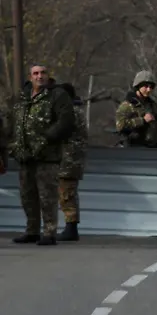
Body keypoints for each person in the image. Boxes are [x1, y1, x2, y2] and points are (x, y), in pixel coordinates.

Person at [10, 63, 76, 245]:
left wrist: (46, 138)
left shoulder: (57, 95)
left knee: (47, 196)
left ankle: (49, 232)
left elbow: (66, 121)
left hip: (47, 156)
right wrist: (12, 146)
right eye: (36, 73)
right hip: (24, 155)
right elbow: (12, 121)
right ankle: (32, 230)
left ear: (48, 75)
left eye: (43, 73)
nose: (40, 76)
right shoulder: (23, 96)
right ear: (30, 76)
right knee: (27, 196)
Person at [56, 82, 88, 241]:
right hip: (71, 158)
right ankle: (70, 226)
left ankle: (71, 228)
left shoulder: (71, 112)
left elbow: (59, 130)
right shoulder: (75, 110)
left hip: (69, 159)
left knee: (67, 193)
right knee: (66, 192)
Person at [115, 70, 157, 148]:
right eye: (146, 86)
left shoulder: (152, 105)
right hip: (133, 147)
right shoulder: (127, 105)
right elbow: (120, 126)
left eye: (151, 87)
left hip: (152, 147)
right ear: (138, 86)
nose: (149, 90)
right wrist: (142, 120)